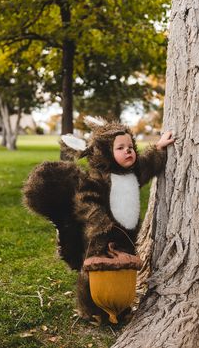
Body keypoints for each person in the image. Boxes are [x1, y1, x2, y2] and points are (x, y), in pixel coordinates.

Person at [23, 116, 174, 324]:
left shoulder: (132, 174)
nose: (128, 150)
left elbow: (147, 165)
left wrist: (158, 148)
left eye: (130, 146)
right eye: (120, 148)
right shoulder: (99, 179)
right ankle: (91, 310)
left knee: (125, 268)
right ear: (105, 152)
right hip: (101, 236)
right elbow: (86, 201)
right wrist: (100, 224)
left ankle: (121, 307)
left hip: (126, 235)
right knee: (94, 273)